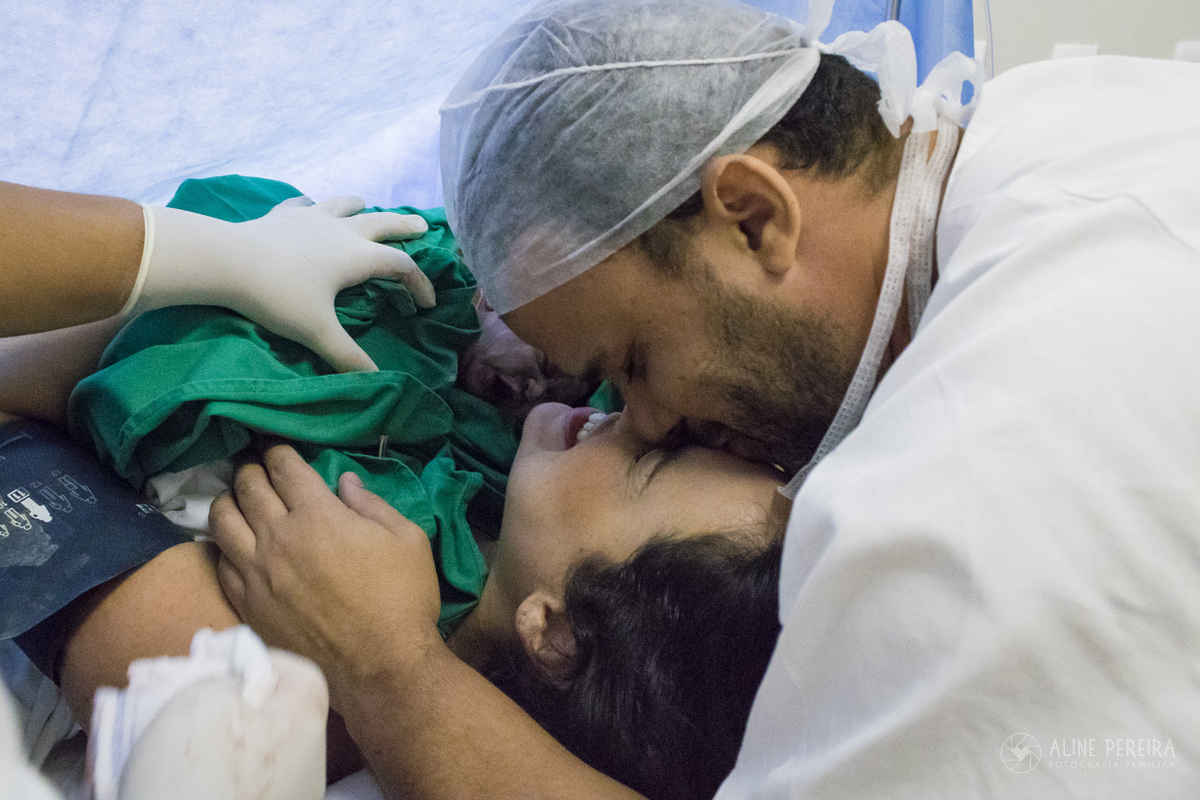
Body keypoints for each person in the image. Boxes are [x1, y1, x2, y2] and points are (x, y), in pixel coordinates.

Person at [212, 0, 1200, 797]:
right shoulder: (1064, 124)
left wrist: (392, 671)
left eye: (634, 361)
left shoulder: (967, 504)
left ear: (757, 214)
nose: (634, 419)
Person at [2, 173, 790, 797]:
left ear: (555, 634)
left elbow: (16, 429)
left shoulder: (289, 696)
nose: (640, 422)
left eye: (656, 464)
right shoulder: (510, 479)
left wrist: (197, 266)